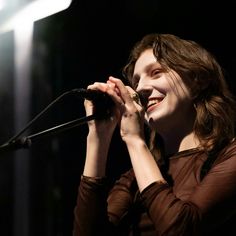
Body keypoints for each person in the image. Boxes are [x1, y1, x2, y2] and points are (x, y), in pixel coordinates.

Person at [72, 33, 236, 235]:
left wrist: (134, 140)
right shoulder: (133, 178)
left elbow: (180, 229)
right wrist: (98, 138)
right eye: (137, 81)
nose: (141, 88)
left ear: (197, 80)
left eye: (156, 73)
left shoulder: (229, 155)